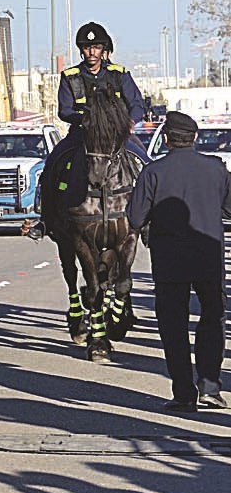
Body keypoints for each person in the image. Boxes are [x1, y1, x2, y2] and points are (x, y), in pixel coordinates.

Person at [127, 111, 228, 411]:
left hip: (169, 261)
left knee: (173, 326)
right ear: (195, 137)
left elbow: (134, 218)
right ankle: (210, 386)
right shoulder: (216, 169)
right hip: (208, 258)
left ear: (167, 139)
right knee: (213, 319)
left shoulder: (153, 172)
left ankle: (184, 393)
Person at [27, 21, 147, 240]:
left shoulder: (119, 74)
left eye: (96, 48)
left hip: (116, 135)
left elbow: (137, 104)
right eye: (87, 48)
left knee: (145, 162)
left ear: (103, 50)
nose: (92, 52)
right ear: (81, 50)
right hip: (82, 134)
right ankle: (47, 219)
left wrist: (130, 122)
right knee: (52, 165)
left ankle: (149, 220)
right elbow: (65, 110)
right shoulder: (70, 76)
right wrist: (87, 120)